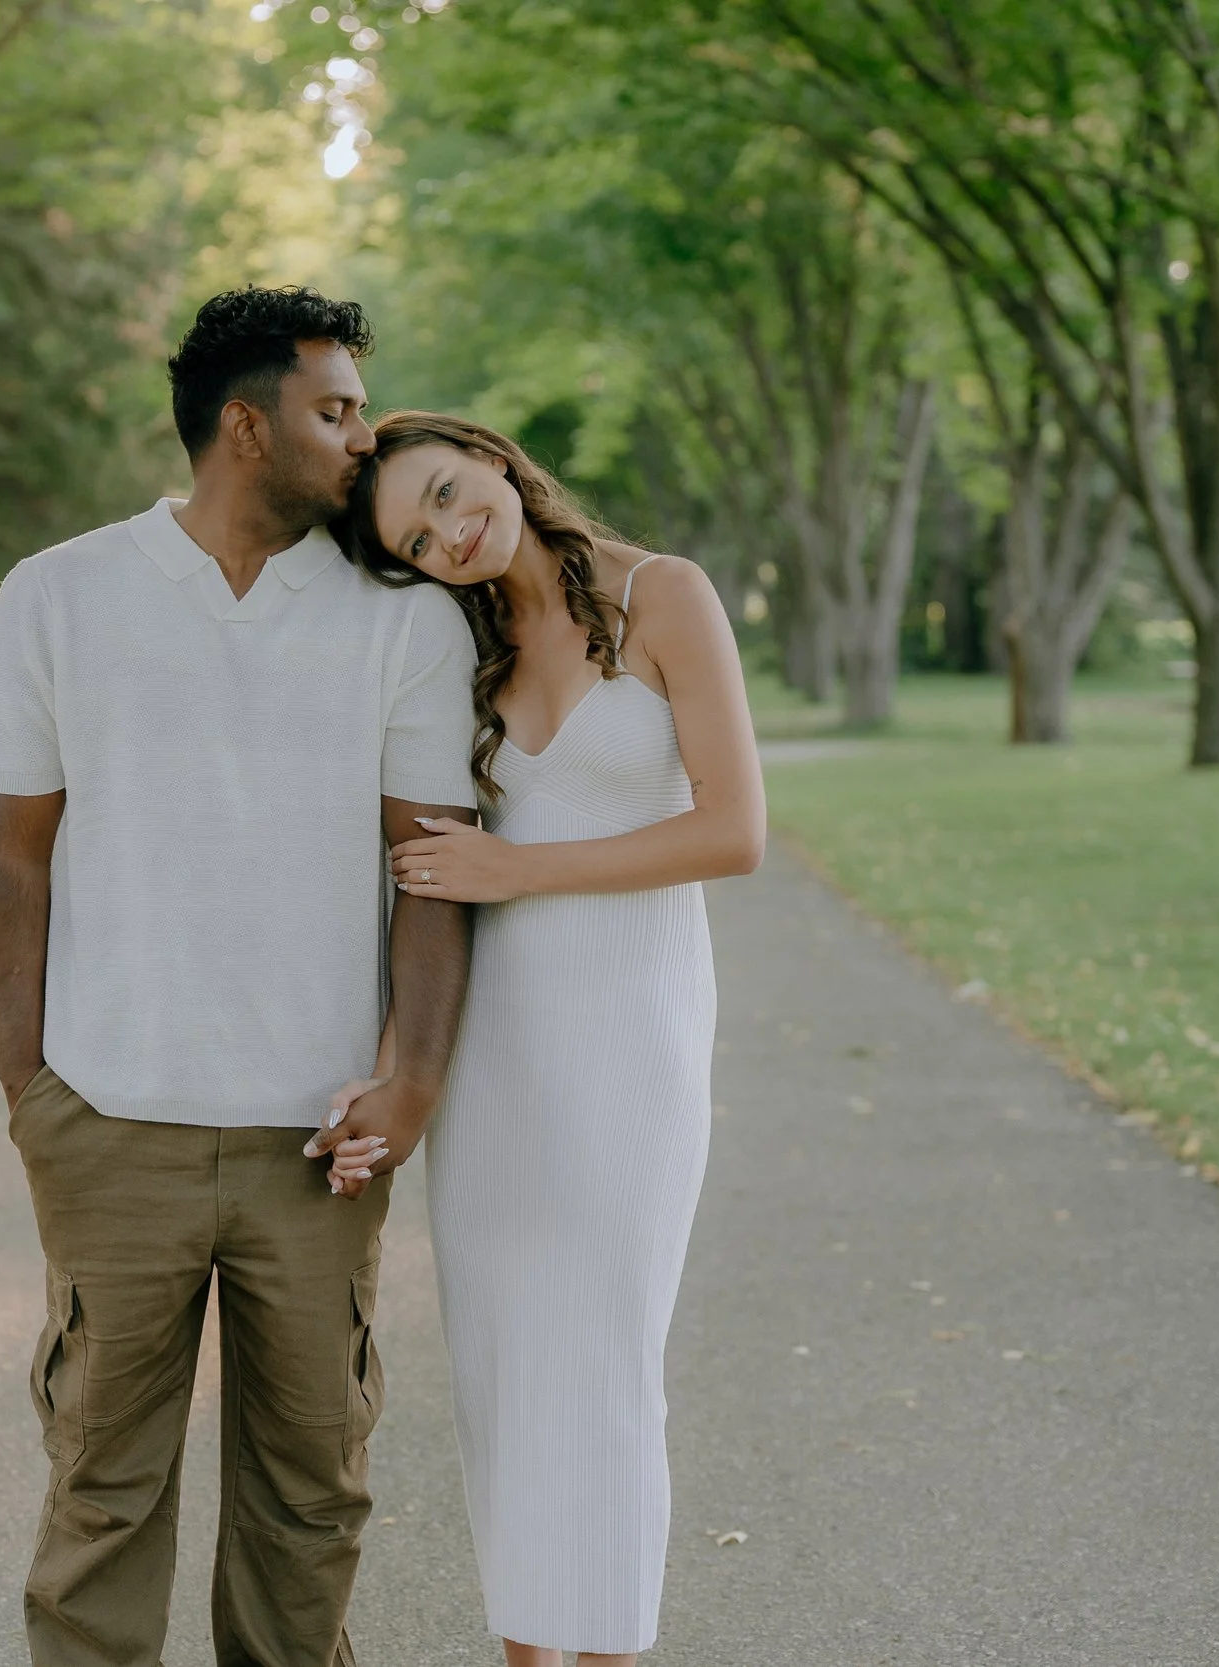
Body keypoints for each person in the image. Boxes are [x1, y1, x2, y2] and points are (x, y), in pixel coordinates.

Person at [0, 289, 480, 1667]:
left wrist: (413, 1080)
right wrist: (35, 1093)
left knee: (311, 1499)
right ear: (247, 427)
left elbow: (432, 863)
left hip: (321, 1140)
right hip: (109, 1123)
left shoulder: (406, 622)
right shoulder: (58, 594)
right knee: (101, 1491)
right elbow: (11, 861)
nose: (365, 437)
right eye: (337, 409)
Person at [323, 411, 767, 1665]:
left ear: (499, 462)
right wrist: (394, 1057)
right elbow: (418, 868)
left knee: (607, 1364)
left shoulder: (663, 597)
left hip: (633, 1034)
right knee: (507, 1375)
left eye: (453, 492)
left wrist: (517, 868)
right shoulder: (453, 648)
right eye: (419, 535)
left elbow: (733, 833)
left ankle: (608, 1649)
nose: (452, 531)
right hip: (495, 1060)